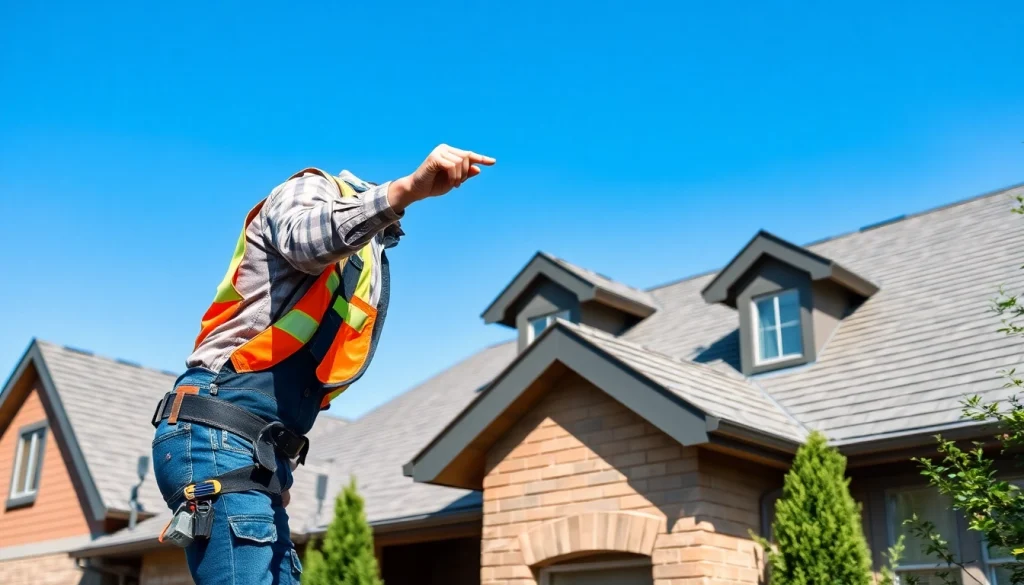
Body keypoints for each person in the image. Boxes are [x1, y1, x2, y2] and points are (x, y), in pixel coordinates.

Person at [150, 145, 495, 584]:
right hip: (218, 428)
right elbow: (306, 236)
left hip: (250, 445)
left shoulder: (357, 267)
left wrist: (278, 466)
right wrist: (404, 191)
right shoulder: (308, 189)